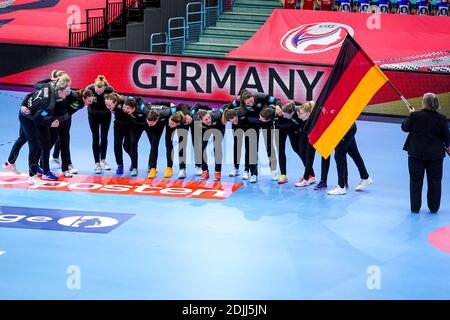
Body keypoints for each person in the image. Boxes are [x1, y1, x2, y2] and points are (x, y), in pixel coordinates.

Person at [401, 93, 449, 214]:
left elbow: (404, 128)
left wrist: (411, 115)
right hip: (436, 156)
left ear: (424, 103)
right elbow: (447, 139)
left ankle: (415, 208)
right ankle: (434, 207)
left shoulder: (415, 116)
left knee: (415, 181)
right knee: (435, 181)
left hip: (416, 155)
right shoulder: (442, 119)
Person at [86, 75, 114, 174]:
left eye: (100, 91)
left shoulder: (110, 90)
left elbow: (115, 101)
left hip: (106, 116)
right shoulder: (90, 89)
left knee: (104, 136)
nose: (98, 92)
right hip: (93, 115)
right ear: (95, 87)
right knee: (95, 137)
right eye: (97, 91)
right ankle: (97, 163)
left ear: (104, 88)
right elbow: (84, 99)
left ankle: (103, 160)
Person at [105, 93, 132, 175]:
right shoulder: (111, 106)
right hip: (118, 125)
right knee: (117, 144)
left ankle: (134, 161)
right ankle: (120, 165)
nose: (108, 107)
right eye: (106, 104)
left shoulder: (123, 103)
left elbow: (132, 100)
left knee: (127, 146)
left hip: (128, 126)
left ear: (115, 102)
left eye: (109, 105)